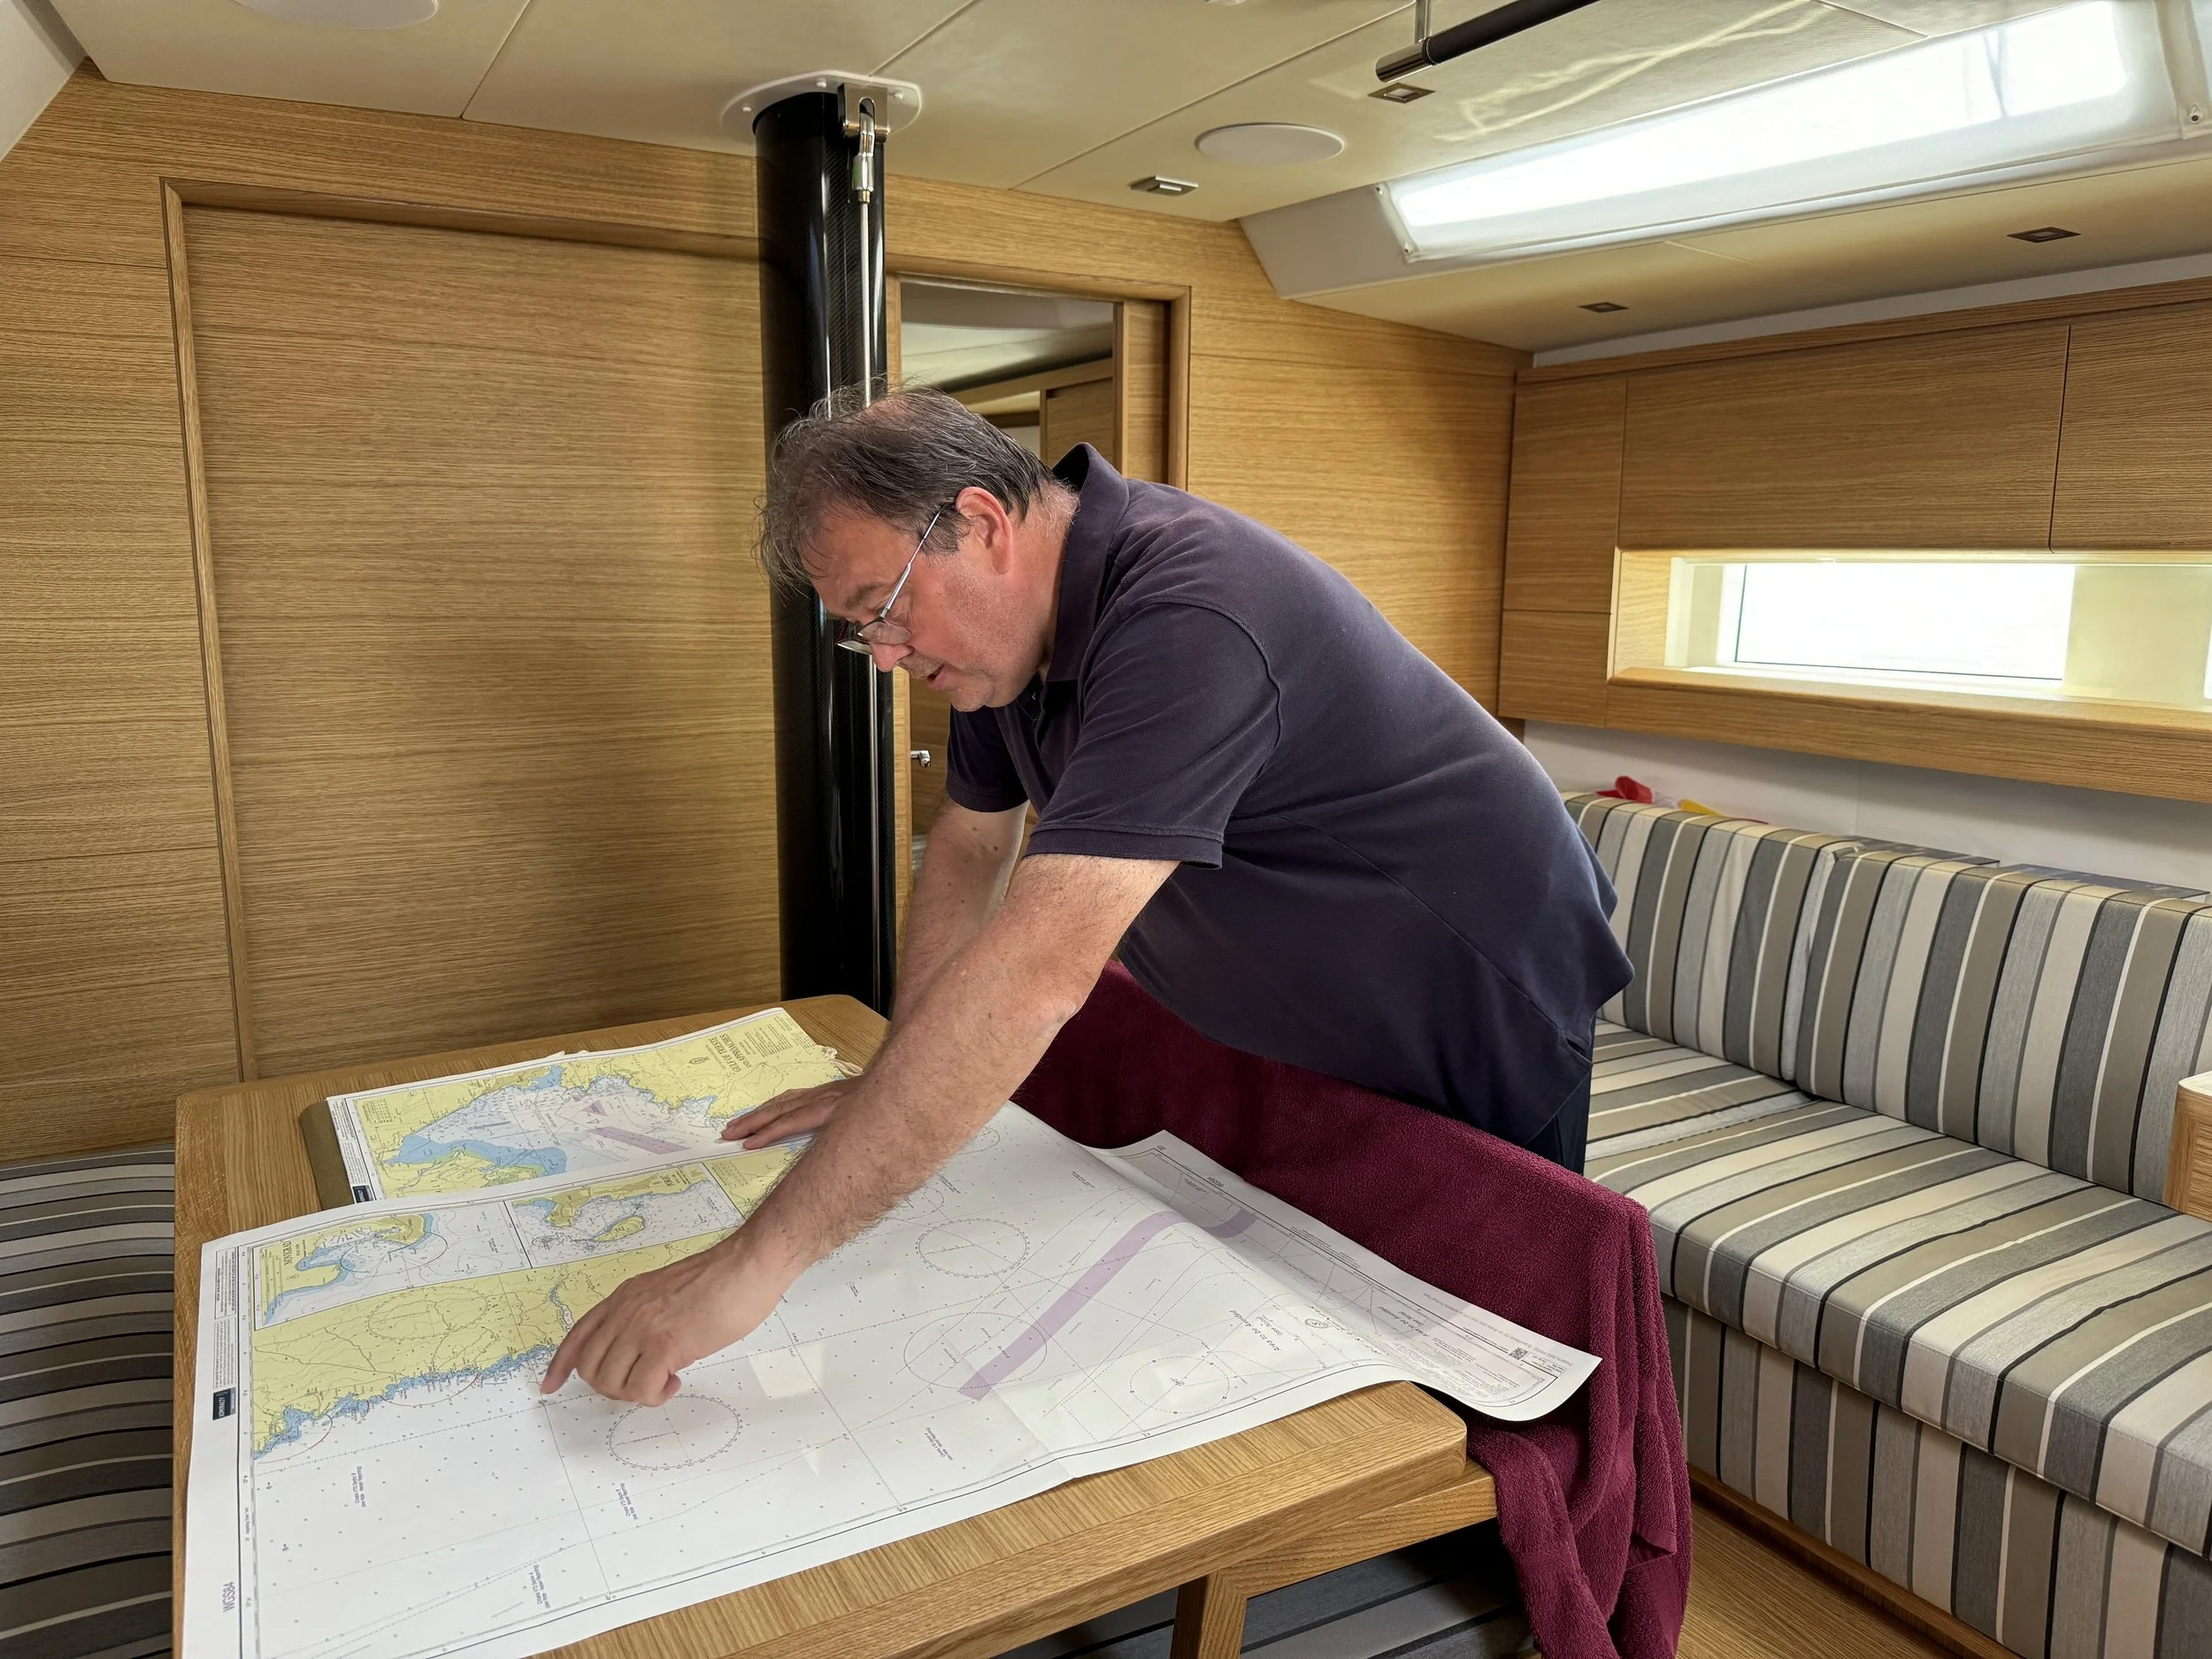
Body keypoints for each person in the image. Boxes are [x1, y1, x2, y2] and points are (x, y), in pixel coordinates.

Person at [542, 387, 1632, 1407]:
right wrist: (895, 1073)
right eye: (860, 629)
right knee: (1327, 1319)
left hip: (1473, 984)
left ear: (981, 523)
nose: (884, 655)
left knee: (1478, 1347)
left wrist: (753, 1264)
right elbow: (969, 846)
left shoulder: (1190, 611)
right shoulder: (1002, 649)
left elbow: (1037, 974)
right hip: (1309, 1017)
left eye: (885, 609)